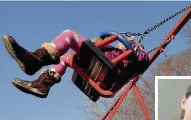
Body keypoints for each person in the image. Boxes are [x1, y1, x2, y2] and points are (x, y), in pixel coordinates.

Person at [2, 30, 150, 98]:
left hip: (102, 66)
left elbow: (143, 60)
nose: (120, 46)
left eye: (122, 45)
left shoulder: (132, 58)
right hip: (100, 68)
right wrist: (100, 42)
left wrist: (132, 45)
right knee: (65, 57)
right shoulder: (117, 54)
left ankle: (35, 60)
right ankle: (43, 84)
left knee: (70, 35)